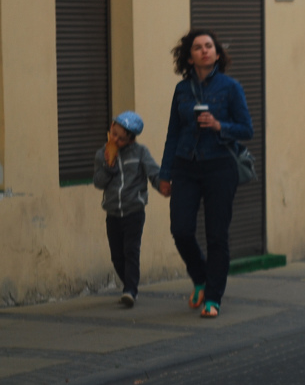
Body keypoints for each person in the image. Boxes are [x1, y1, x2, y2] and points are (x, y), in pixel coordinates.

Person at [158, 29, 253, 319]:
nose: (205, 51)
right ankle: (199, 277)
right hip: (186, 166)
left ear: (217, 53)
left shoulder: (230, 87)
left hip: (220, 166)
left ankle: (213, 297)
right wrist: (165, 174)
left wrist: (218, 125)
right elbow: (173, 134)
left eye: (209, 46)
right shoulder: (182, 90)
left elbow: (246, 129)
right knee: (181, 230)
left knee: (216, 236)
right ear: (189, 56)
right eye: (198, 47)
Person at [93, 111, 165, 308]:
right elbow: (98, 183)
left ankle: (130, 291)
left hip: (134, 210)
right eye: (113, 133)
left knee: (130, 250)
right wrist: (108, 166)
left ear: (131, 140)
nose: (115, 139)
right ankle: (128, 285)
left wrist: (164, 186)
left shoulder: (140, 153)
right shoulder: (102, 154)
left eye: (121, 138)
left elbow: (153, 173)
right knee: (117, 255)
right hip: (113, 212)